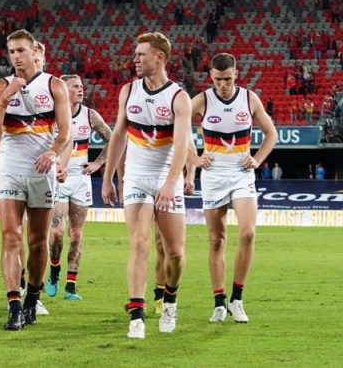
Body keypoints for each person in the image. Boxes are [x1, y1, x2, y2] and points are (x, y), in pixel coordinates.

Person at [103, 32, 192, 339]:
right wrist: (108, 178)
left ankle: (170, 299)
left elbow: (182, 144)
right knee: (139, 242)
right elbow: (117, 136)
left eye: (141, 54)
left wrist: (171, 182)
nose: (135, 59)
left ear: (160, 57)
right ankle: (137, 314)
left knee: (175, 253)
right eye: (135, 54)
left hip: (166, 179)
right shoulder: (128, 91)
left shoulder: (179, 98)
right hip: (137, 179)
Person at [0, 31, 71, 330]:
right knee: (10, 237)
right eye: (11, 51)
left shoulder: (55, 85)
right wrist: (8, 96)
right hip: (9, 169)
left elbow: (64, 132)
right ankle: (14, 306)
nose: (16, 56)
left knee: (37, 241)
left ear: (35, 52)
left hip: (42, 172)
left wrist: (54, 152)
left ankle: (33, 298)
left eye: (21, 50)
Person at [190, 52, 276, 324]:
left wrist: (258, 159)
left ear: (236, 74)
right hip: (213, 175)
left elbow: (271, 133)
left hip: (241, 173)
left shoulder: (249, 99)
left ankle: (237, 299)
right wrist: (193, 158)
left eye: (227, 79)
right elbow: (175, 129)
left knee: (248, 233)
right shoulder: (202, 100)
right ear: (211, 77)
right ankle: (219, 302)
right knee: (217, 240)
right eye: (217, 80)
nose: (223, 85)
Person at [45, 74, 111, 301]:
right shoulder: (51, 115)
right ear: (63, 90)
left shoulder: (90, 115)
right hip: (57, 178)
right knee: (56, 232)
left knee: (77, 234)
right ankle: (54, 272)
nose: (80, 90)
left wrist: (98, 163)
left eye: (81, 86)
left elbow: (113, 140)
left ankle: (71, 286)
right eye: (74, 87)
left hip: (81, 179)